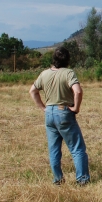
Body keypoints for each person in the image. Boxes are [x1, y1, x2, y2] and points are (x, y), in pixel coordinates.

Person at [29, 46, 90, 185]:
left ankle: (58, 179)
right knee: (77, 148)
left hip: (49, 113)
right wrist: (76, 108)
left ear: (54, 59)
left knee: (54, 149)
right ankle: (82, 180)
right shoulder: (68, 73)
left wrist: (43, 108)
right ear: (67, 59)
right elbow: (78, 92)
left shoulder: (44, 74)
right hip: (64, 112)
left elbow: (32, 91)